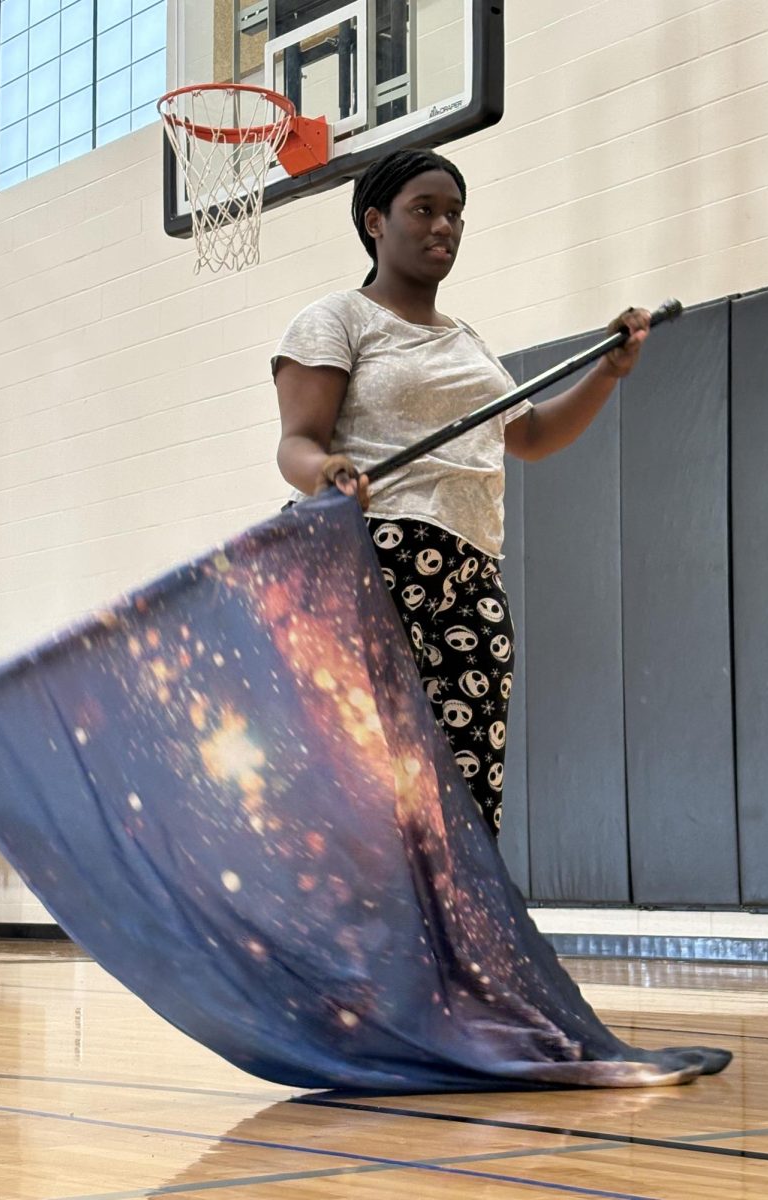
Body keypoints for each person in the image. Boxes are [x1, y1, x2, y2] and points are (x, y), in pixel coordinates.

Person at [273, 148, 650, 838]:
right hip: (376, 555)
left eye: (455, 214)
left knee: (464, 786)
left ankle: (452, 935)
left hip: (472, 577)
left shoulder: (469, 343)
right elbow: (297, 442)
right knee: (366, 775)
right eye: (425, 210)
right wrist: (326, 472)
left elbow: (532, 435)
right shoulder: (338, 319)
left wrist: (606, 372)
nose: (444, 225)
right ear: (375, 222)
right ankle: (350, 932)